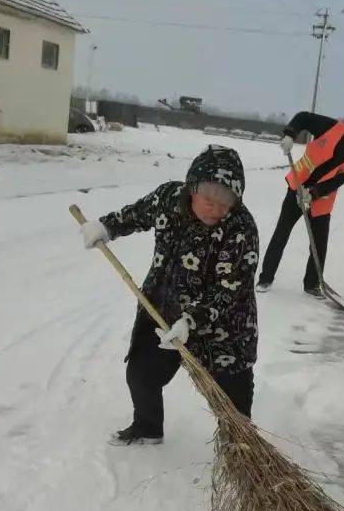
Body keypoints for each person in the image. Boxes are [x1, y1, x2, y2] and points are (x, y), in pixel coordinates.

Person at [79, 146, 260, 445]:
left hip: (222, 325)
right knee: (141, 375)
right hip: (163, 309)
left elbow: (232, 288)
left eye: (225, 204)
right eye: (209, 201)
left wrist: (192, 321)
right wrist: (107, 226)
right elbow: (137, 214)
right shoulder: (168, 198)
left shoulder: (240, 228)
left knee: (232, 396)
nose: (216, 210)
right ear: (191, 187)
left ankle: (241, 448)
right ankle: (148, 427)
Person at [257, 112, 344, 295]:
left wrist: (313, 194)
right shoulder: (332, 128)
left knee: (319, 243)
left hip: (321, 198)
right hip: (297, 185)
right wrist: (290, 134)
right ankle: (265, 278)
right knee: (282, 232)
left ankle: (312, 284)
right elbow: (303, 117)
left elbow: (337, 181)